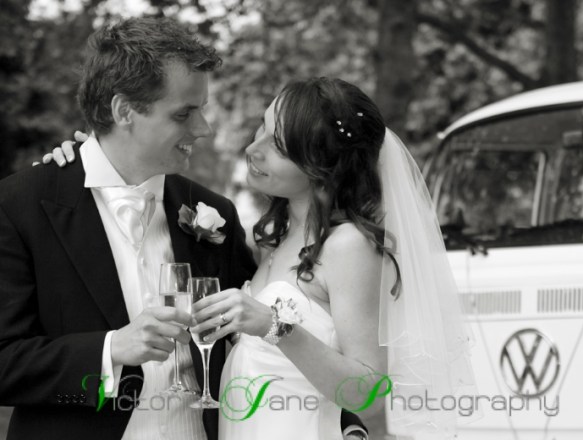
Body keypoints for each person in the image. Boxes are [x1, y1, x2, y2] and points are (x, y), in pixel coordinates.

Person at [47, 77, 476, 439]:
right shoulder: (271, 240)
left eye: (278, 144)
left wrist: (274, 326)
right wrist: (100, 157)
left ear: (322, 164)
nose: (254, 148)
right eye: (261, 128)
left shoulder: (347, 246)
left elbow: (370, 397)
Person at [25, 17, 368, 440]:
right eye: (185, 112)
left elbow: (288, 337)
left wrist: (347, 428)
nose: (205, 128)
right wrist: (111, 349)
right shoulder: (25, 205)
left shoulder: (214, 212)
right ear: (124, 111)